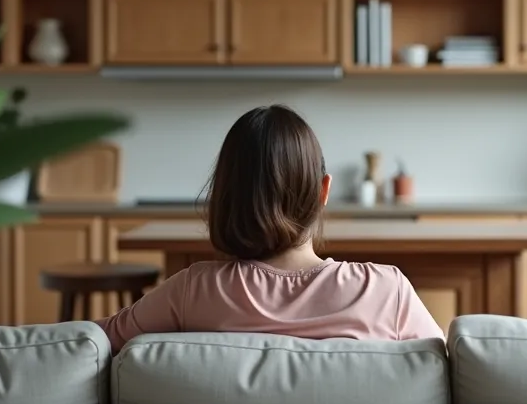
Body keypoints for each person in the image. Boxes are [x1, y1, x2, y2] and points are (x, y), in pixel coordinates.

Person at [95, 104, 443, 353]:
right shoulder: (386, 291)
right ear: (324, 190)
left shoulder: (191, 292)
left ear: (225, 195)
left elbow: (88, 343)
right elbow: (448, 371)